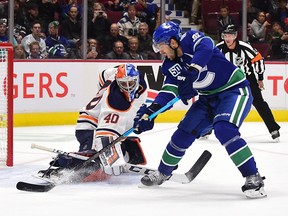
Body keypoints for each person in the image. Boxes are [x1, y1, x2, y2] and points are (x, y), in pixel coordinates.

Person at [132, 21, 267, 199]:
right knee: (182, 135)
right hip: (207, 99)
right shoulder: (169, 65)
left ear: (173, 42)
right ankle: (164, 172)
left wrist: (193, 69)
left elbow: (207, 46)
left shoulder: (191, 39)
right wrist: (151, 112)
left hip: (234, 91)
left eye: (161, 47)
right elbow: (169, 91)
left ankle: (253, 176)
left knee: (224, 129)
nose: (160, 52)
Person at [39, 63, 148, 181]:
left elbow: (102, 75)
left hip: (103, 120)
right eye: (123, 83)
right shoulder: (114, 101)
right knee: (92, 160)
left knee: (105, 158)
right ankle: (61, 169)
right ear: (117, 81)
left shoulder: (115, 74)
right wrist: (111, 158)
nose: (127, 87)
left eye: (130, 83)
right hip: (90, 126)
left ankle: (122, 152)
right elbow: (105, 133)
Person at [216, 24, 280, 141]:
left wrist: (260, 77)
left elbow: (258, 59)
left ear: (235, 36)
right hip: (228, 81)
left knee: (259, 103)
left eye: (230, 35)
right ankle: (207, 129)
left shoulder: (245, 47)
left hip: (246, 79)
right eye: (225, 35)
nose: (227, 38)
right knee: (216, 103)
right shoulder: (219, 48)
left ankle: (273, 129)